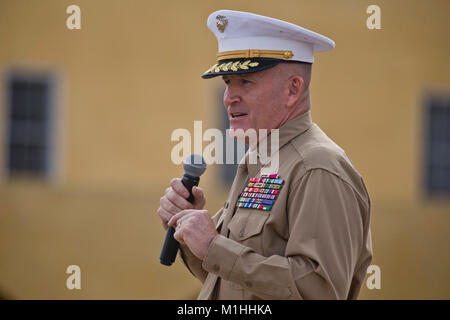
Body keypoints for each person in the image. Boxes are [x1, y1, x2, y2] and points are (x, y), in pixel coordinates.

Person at [157, 10, 372, 300]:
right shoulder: (266, 160)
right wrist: (189, 231)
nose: (229, 97)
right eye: (227, 83)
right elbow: (232, 283)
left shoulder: (317, 167)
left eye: (245, 81)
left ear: (292, 90)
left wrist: (213, 246)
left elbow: (318, 291)